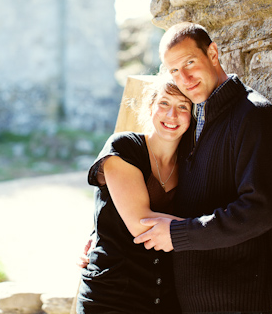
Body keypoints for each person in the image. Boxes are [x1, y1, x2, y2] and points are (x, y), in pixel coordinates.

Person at [133, 22, 272, 314]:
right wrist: (104, 233)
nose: (185, 78)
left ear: (213, 53)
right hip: (189, 298)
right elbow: (162, 186)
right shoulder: (190, 118)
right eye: (174, 71)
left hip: (236, 300)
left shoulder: (254, 115)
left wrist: (178, 233)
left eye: (190, 63)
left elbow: (260, 210)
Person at [76, 76, 193, 314]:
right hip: (111, 297)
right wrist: (213, 231)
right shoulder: (124, 148)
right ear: (150, 107)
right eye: (164, 103)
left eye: (183, 106)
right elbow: (143, 227)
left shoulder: (192, 166)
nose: (172, 114)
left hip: (164, 300)